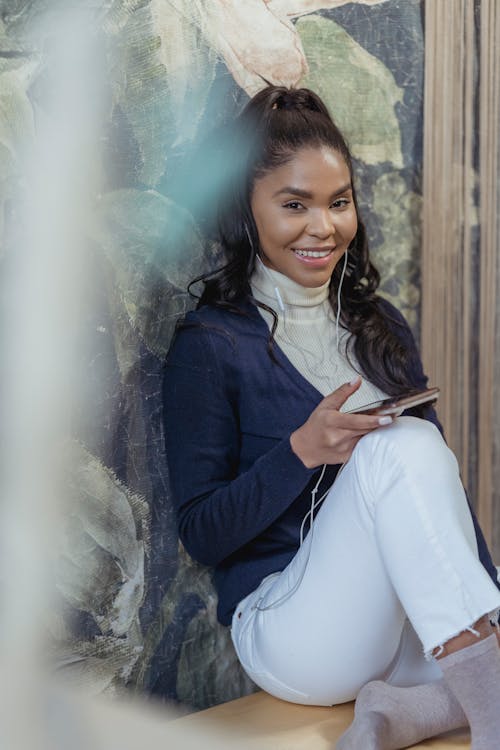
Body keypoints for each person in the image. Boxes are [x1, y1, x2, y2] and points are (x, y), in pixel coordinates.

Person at [163, 85, 500, 749]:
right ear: (247, 209)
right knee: (395, 446)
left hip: (395, 623)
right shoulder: (209, 345)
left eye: (338, 202)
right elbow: (202, 533)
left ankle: (398, 713)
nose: (324, 227)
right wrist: (302, 451)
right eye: (295, 205)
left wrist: (488, 594)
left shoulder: (379, 325)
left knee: (415, 451)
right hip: (292, 630)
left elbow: (436, 496)